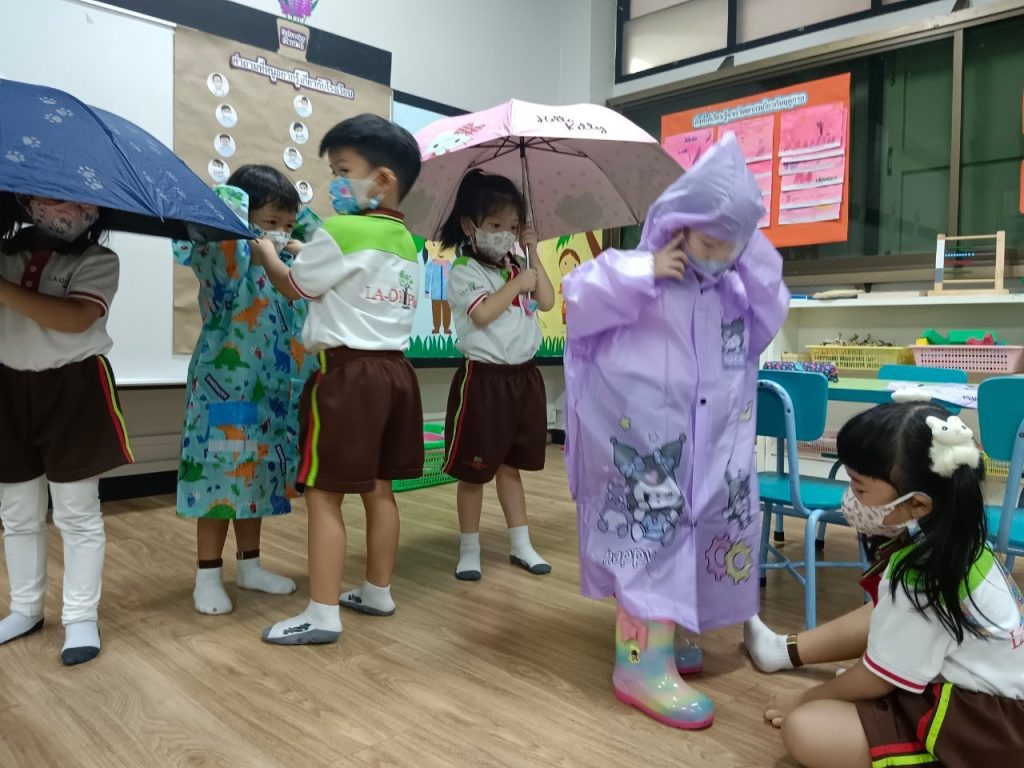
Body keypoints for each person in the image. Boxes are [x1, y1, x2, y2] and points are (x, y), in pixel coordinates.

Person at [562, 133, 789, 729]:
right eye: (708, 242)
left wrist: (747, 261)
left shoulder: (732, 289)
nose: (717, 256)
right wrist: (646, 267)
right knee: (649, 542)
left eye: (732, 246)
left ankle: (665, 637)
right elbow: (578, 300)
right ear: (678, 227)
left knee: (700, 532)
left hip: (708, 447)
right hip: (643, 444)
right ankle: (639, 666)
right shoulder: (638, 272)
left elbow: (770, 312)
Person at [746, 402, 1024, 768]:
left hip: (985, 722)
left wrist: (804, 698)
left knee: (804, 728)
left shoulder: (922, 579)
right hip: (985, 687)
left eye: (859, 489)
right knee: (881, 612)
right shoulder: (954, 538)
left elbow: (875, 679)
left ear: (918, 505)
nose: (849, 498)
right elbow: (892, 619)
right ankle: (782, 650)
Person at [255, 114, 424, 645]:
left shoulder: (342, 230)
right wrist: (307, 252)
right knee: (380, 488)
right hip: (396, 375)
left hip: (347, 376)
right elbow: (352, 276)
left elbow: (294, 286)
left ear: (383, 179)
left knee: (324, 495)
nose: (335, 183)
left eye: (343, 171)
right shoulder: (407, 242)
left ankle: (322, 613)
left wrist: (267, 250)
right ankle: (377, 591)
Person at [0, 193, 133, 666]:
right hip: (9, 386)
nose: (71, 210)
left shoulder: (99, 259)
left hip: (75, 387)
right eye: (55, 197)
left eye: (84, 202)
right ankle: (25, 608)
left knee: (76, 510)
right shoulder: (6, 252)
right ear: (26, 200)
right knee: (17, 510)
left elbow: (75, 319)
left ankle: (79, 616)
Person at [174, 165, 314, 615]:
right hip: (227, 392)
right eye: (270, 221)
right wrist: (237, 219)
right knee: (220, 479)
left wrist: (290, 235)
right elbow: (218, 232)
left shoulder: (283, 264)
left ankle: (250, 566)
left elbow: (318, 241)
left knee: (255, 477)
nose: (280, 232)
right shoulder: (223, 260)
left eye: (287, 224)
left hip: (270, 393)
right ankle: (207, 574)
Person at [438, 170, 555, 581]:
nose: (505, 234)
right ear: (470, 226)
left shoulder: (518, 264)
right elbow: (484, 313)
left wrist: (532, 252)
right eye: (495, 224)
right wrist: (517, 283)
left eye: (512, 225)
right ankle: (468, 548)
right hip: (483, 382)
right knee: (474, 473)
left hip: (523, 379)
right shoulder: (464, 270)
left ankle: (521, 543)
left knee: (511, 467)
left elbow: (546, 301)